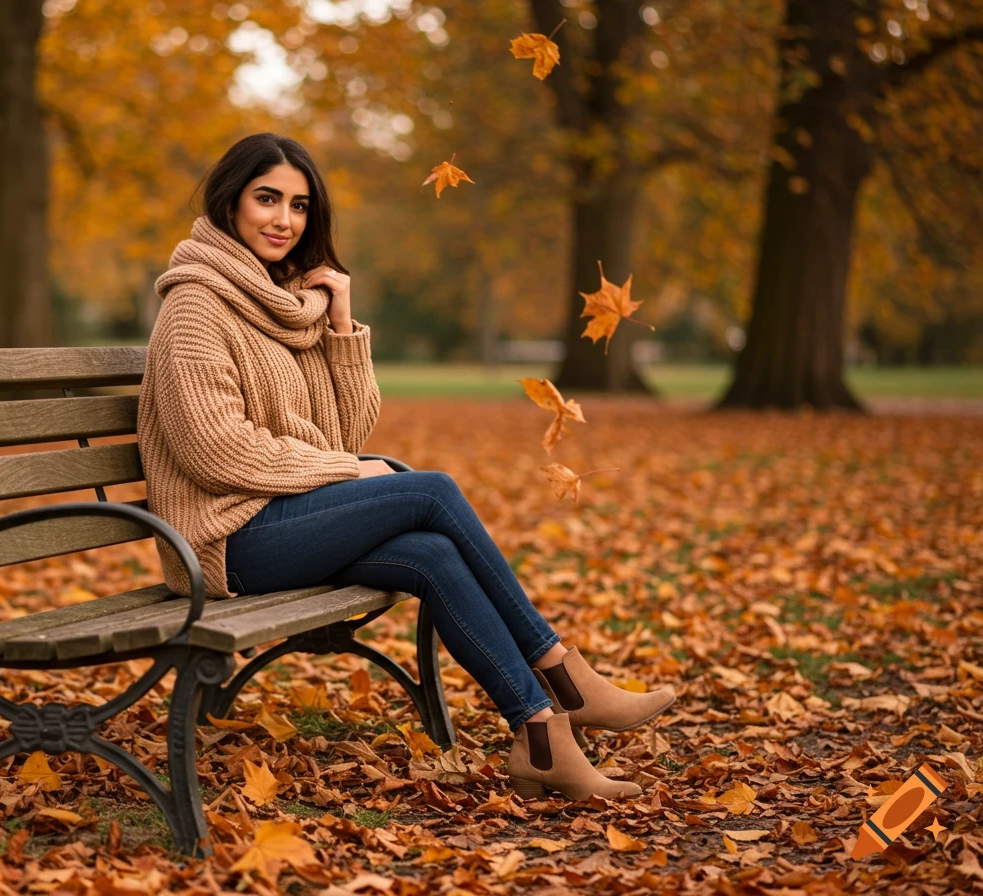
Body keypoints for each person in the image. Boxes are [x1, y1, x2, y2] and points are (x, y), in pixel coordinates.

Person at [136, 132, 676, 801]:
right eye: (266, 199)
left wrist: (341, 325)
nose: (283, 219)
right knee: (431, 491)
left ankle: (541, 736)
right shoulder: (196, 306)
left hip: (281, 520)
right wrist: (346, 473)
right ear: (230, 203)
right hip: (226, 542)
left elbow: (348, 429)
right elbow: (213, 449)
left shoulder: (288, 305)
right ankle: (565, 676)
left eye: (299, 206)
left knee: (431, 555)